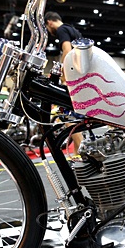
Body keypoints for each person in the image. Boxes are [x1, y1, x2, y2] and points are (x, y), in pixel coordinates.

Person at [45, 11, 84, 152]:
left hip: (75, 77)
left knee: (67, 116)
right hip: (83, 75)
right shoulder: (72, 29)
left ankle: (81, 149)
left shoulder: (62, 30)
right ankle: (78, 151)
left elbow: (67, 50)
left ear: (49, 22)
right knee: (74, 118)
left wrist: (62, 73)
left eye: (47, 28)